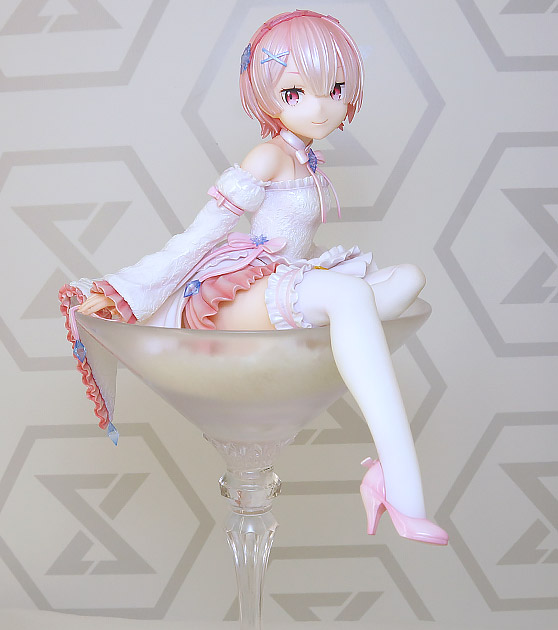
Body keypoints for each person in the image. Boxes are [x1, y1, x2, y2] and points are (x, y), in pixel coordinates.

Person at [60, 9, 448, 546]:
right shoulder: (267, 156)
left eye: (335, 89)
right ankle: (402, 484)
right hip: (239, 288)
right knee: (351, 296)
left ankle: (343, 334)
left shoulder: (308, 161)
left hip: (291, 273)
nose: (320, 107)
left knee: (408, 277)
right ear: (267, 95)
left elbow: (301, 244)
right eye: (295, 93)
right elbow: (201, 234)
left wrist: (328, 280)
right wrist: (126, 292)